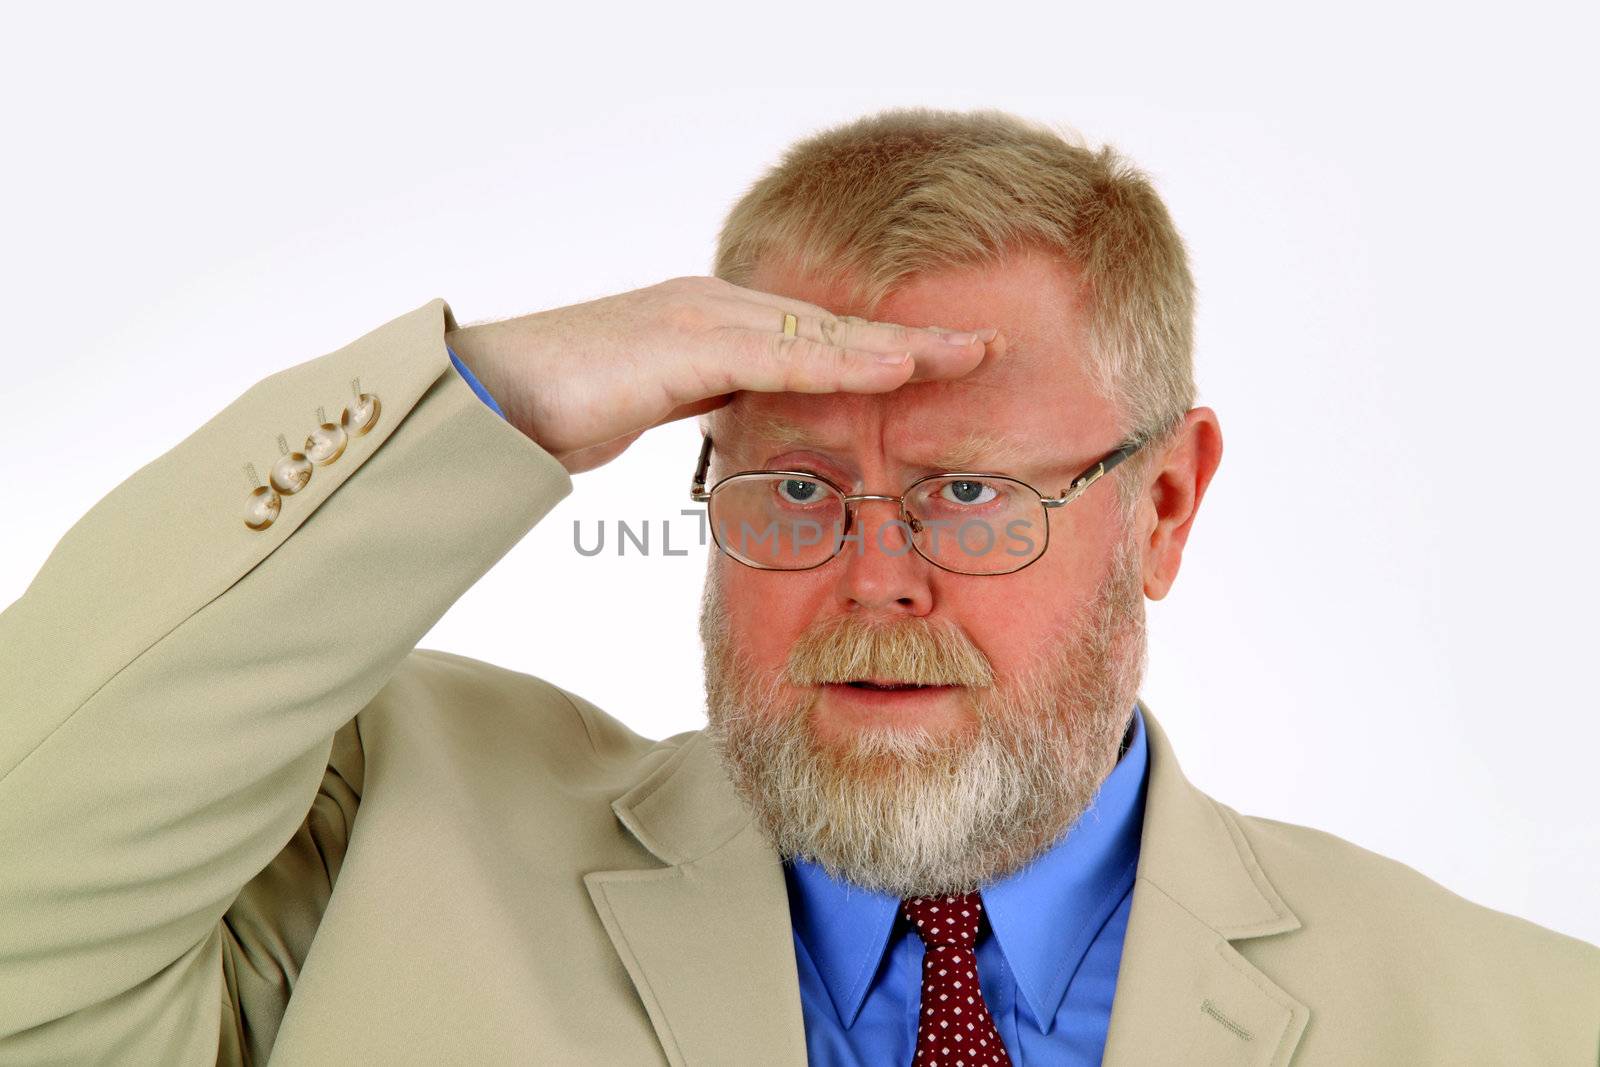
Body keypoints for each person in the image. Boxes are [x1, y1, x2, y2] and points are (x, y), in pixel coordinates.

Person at [0, 107, 1594, 1067]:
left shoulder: (1526, 1024)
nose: (873, 580)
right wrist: (500, 394)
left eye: (970, 492)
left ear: (1164, 505)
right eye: (797, 488)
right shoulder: (363, 843)